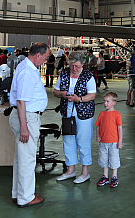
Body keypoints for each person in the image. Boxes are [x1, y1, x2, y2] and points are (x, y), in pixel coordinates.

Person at [8, 43, 50, 208]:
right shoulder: (27, 71)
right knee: (27, 160)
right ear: (38, 55)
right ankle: (25, 197)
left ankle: (19, 193)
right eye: (45, 58)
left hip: (25, 116)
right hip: (26, 118)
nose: (46, 61)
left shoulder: (26, 67)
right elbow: (21, 101)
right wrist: (24, 127)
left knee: (21, 158)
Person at [53, 51, 97, 184]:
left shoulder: (88, 76)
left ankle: (85, 172)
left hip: (84, 114)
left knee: (83, 141)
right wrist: (63, 94)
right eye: (72, 65)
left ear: (83, 65)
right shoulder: (64, 74)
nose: (74, 69)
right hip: (67, 113)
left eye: (77, 66)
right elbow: (55, 91)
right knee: (68, 141)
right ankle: (70, 170)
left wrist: (80, 99)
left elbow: (92, 95)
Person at [95, 92, 123, 188]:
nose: (105, 103)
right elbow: (98, 126)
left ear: (114, 103)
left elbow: (119, 129)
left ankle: (114, 176)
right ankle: (105, 176)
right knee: (104, 160)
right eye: (104, 101)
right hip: (103, 142)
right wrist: (98, 136)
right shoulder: (102, 114)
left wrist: (120, 142)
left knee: (114, 160)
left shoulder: (117, 115)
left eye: (108, 101)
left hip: (113, 142)